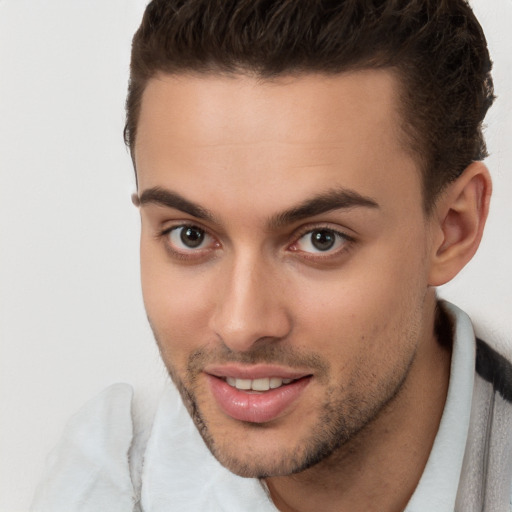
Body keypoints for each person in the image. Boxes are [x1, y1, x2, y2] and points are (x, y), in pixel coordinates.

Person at [31, 0, 512, 511]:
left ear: (452, 228)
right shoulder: (107, 480)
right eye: (190, 236)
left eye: (320, 239)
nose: (241, 325)